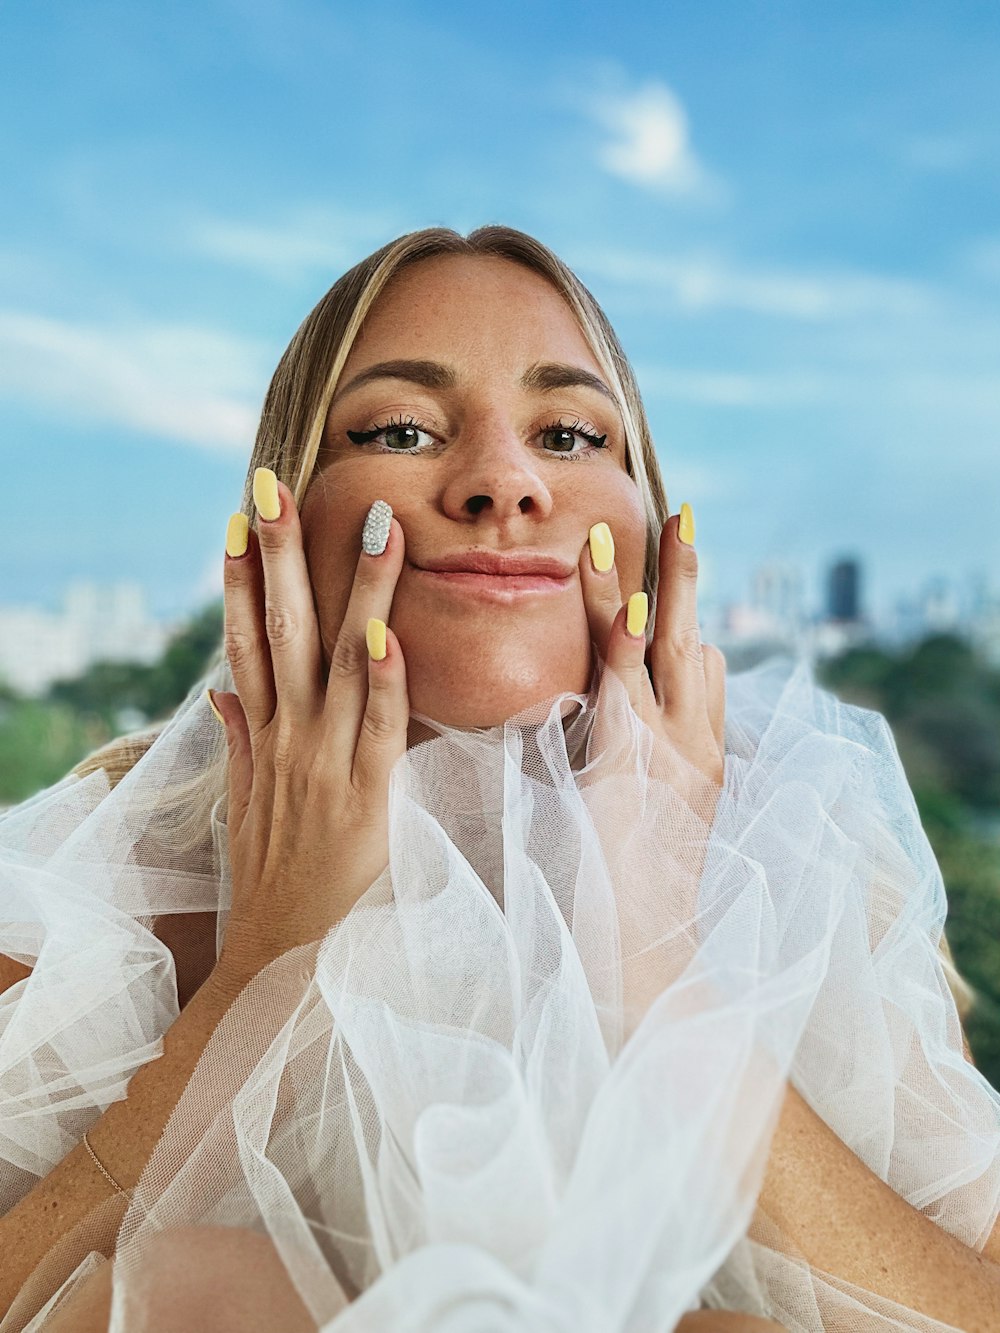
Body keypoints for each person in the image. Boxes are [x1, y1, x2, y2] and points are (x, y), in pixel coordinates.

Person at [0, 226, 997, 1333]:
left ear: (649, 523)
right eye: (400, 429)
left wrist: (669, 987)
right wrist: (263, 973)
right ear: (283, 512)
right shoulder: (94, 889)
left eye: (569, 434)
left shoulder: (797, 834)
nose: (503, 484)